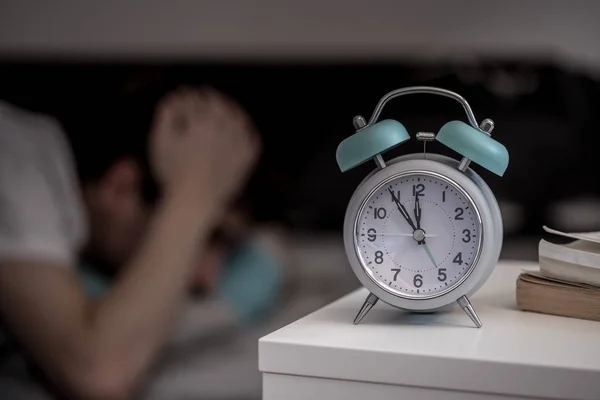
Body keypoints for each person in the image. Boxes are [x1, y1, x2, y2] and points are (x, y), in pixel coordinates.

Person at [0, 85, 274, 400]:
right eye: (205, 236)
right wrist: (194, 191)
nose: (208, 278)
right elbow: (99, 374)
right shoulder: (17, 157)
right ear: (121, 187)